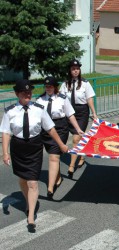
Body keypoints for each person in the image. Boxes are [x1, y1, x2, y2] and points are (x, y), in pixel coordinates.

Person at [1, 79, 68, 233]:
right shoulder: (10, 111)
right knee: (23, 179)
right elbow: (5, 132)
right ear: (17, 94)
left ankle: (31, 215)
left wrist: (61, 144)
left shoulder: (39, 108)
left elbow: (50, 128)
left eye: (30, 92)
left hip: (34, 148)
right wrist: (5, 153)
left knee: (33, 183)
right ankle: (28, 201)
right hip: (18, 148)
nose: (28, 94)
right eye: (24, 92)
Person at [36, 77, 84, 199]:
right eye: (46, 87)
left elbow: (70, 115)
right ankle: (58, 178)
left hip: (60, 128)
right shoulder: (39, 100)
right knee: (54, 157)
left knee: (54, 156)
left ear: (55, 87)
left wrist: (77, 129)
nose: (48, 89)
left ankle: (50, 188)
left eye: (50, 86)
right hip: (45, 130)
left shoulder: (62, 99)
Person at [59, 59, 97, 178]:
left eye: (77, 69)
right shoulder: (65, 84)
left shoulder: (85, 83)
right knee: (78, 138)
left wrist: (94, 113)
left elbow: (89, 99)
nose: (75, 71)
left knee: (76, 138)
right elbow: (61, 99)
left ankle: (71, 165)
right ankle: (81, 155)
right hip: (69, 113)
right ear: (70, 71)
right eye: (73, 69)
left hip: (82, 113)